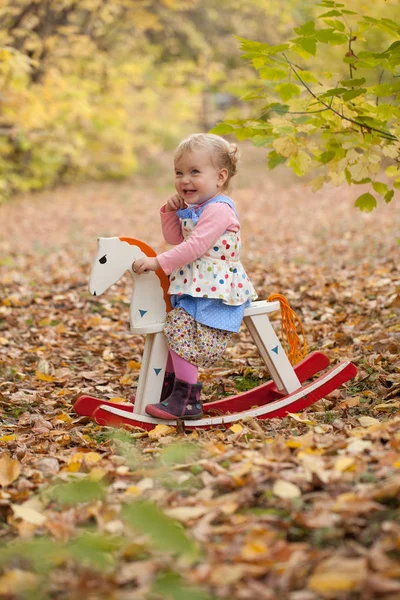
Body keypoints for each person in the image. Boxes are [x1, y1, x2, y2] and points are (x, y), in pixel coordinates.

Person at [132, 133, 257, 420]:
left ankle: (187, 397)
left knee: (181, 330)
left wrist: (157, 263)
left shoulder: (219, 209)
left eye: (194, 172)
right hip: (196, 285)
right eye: (179, 173)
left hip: (215, 289)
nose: (184, 180)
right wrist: (169, 212)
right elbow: (175, 237)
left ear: (220, 177)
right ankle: (168, 391)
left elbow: (195, 246)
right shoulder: (195, 208)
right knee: (173, 328)